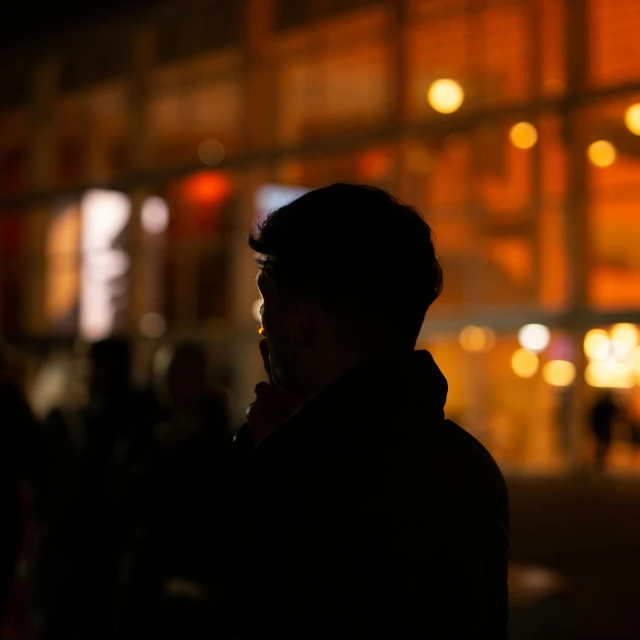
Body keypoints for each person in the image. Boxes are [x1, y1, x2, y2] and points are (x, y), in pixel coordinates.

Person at [218, 184, 509, 638]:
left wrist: (278, 460)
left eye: (265, 308)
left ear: (301, 322)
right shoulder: (467, 466)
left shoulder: (299, 480)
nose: (263, 332)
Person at [589, 390, 619, 474]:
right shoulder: (605, 405)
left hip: (600, 429)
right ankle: (601, 463)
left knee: (601, 446)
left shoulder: (598, 406)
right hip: (603, 429)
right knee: (603, 446)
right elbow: (617, 412)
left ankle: (600, 463)